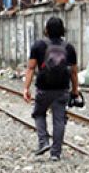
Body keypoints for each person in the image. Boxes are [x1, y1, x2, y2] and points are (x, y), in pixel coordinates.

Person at [23, 16, 79, 161]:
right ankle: (55, 153)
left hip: (43, 88)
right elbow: (73, 72)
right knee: (59, 120)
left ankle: (43, 142)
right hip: (62, 89)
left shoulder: (38, 45)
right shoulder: (69, 47)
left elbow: (30, 68)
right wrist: (75, 90)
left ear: (46, 29)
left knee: (38, 113)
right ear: (62, 30)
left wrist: (26, 88)